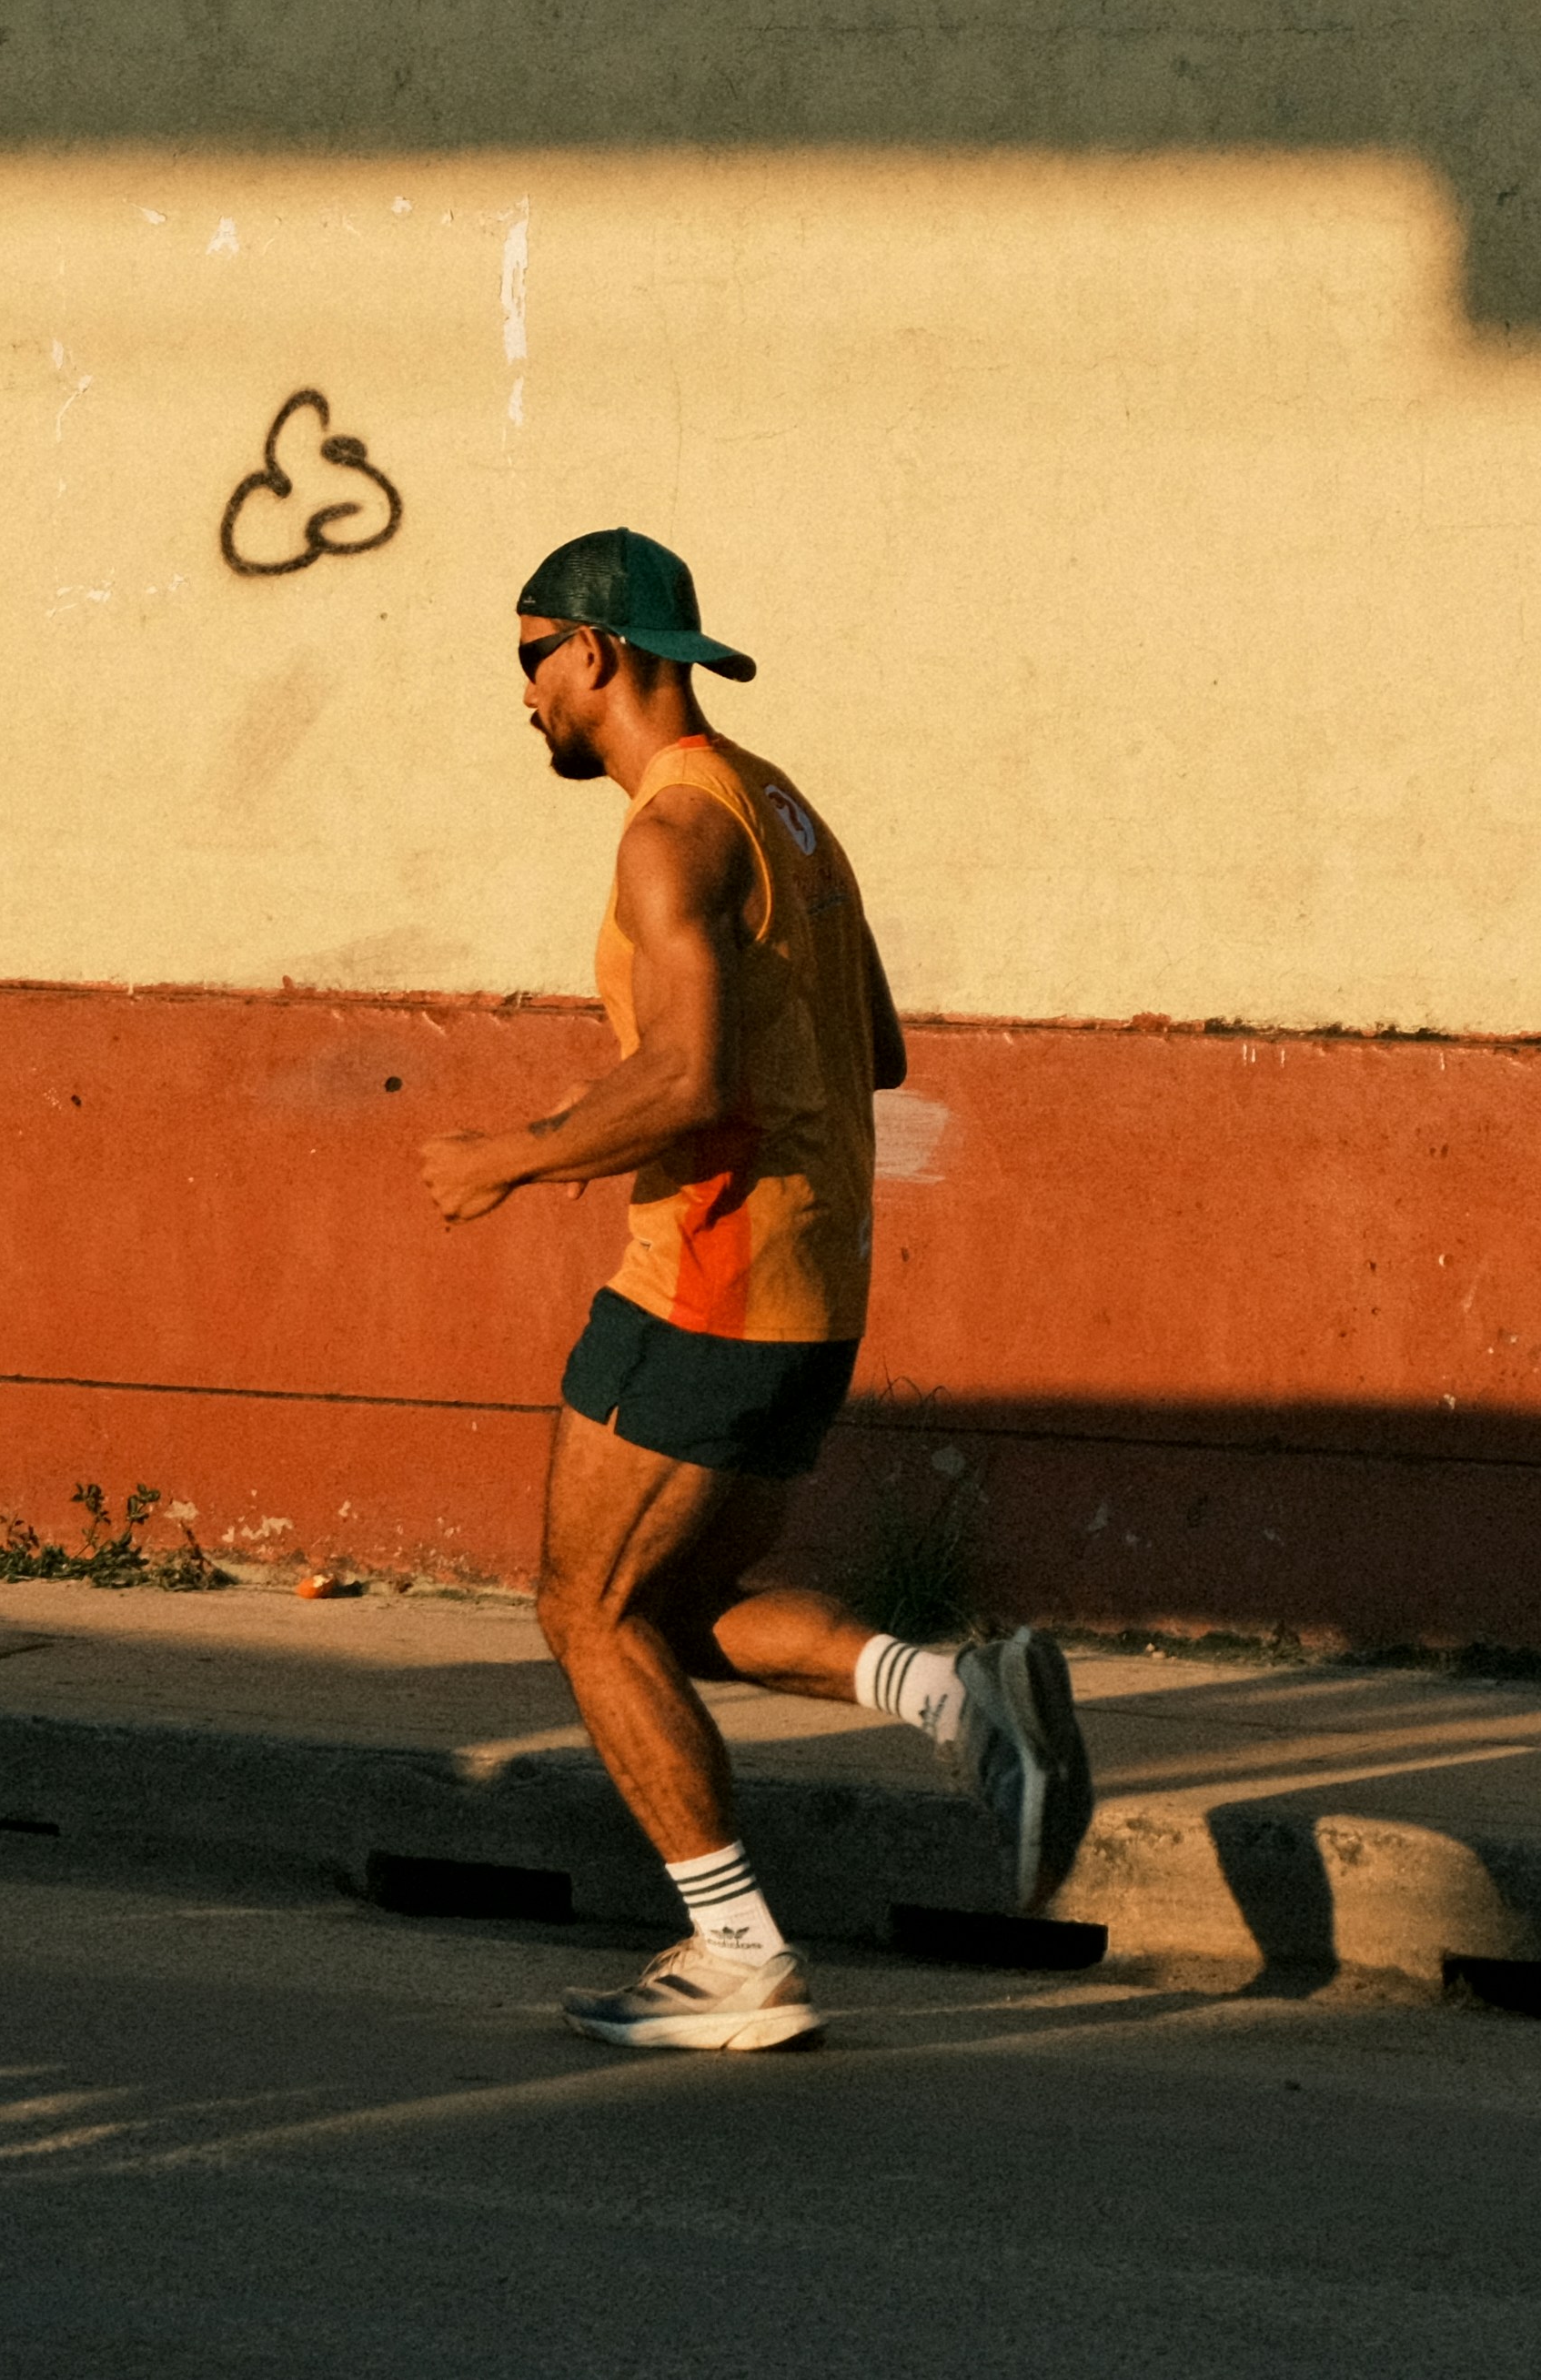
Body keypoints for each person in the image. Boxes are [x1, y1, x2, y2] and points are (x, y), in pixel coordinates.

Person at [420, 528, 1087, 2053]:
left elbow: (689, 1075)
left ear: (596, 650)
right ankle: (950, 1695)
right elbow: (875, 1052)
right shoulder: (780, 810)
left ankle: (734, 1957)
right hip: (813, 1287)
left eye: (527, 657)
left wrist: (513, 1157)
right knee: (679, 1604)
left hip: (706, 1285)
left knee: (581, 1611)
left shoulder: (668, 833)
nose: (520, 695)